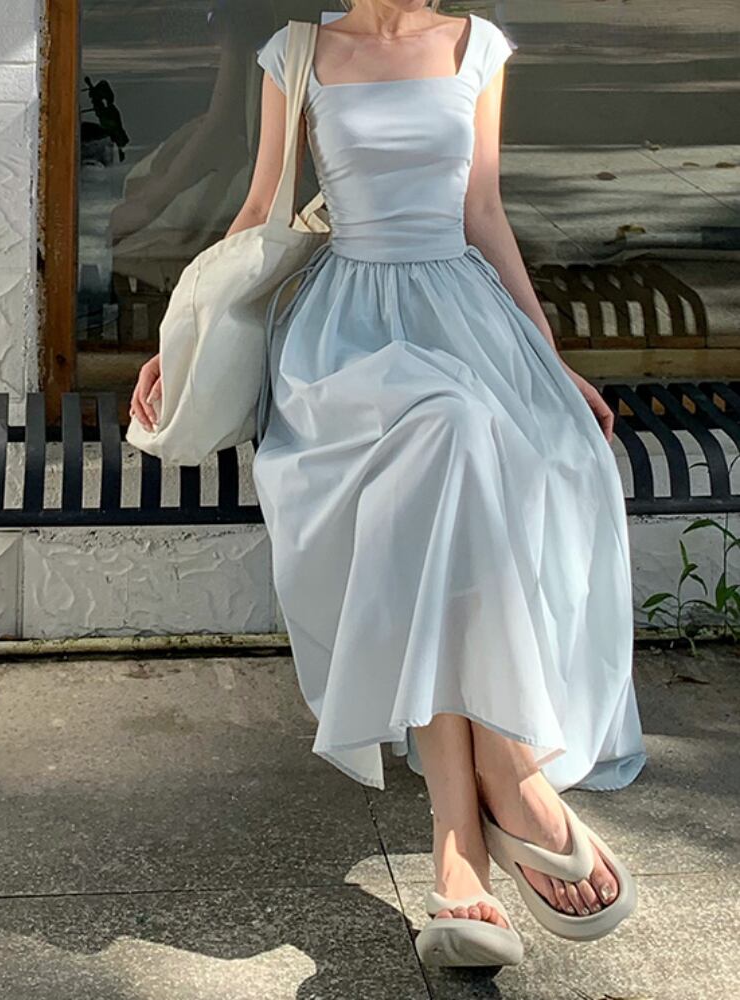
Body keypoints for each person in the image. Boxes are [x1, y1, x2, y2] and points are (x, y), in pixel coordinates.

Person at [130, 0, 647, 970]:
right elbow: (261, 211)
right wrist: (180, 337)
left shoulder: (478, 45)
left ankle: (460, 847)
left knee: (457, 456)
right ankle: (508, 773)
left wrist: (547, 358)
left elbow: (482, 213)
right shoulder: (296, 51)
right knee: (448, 433)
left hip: (462, 317)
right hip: (346, 340)